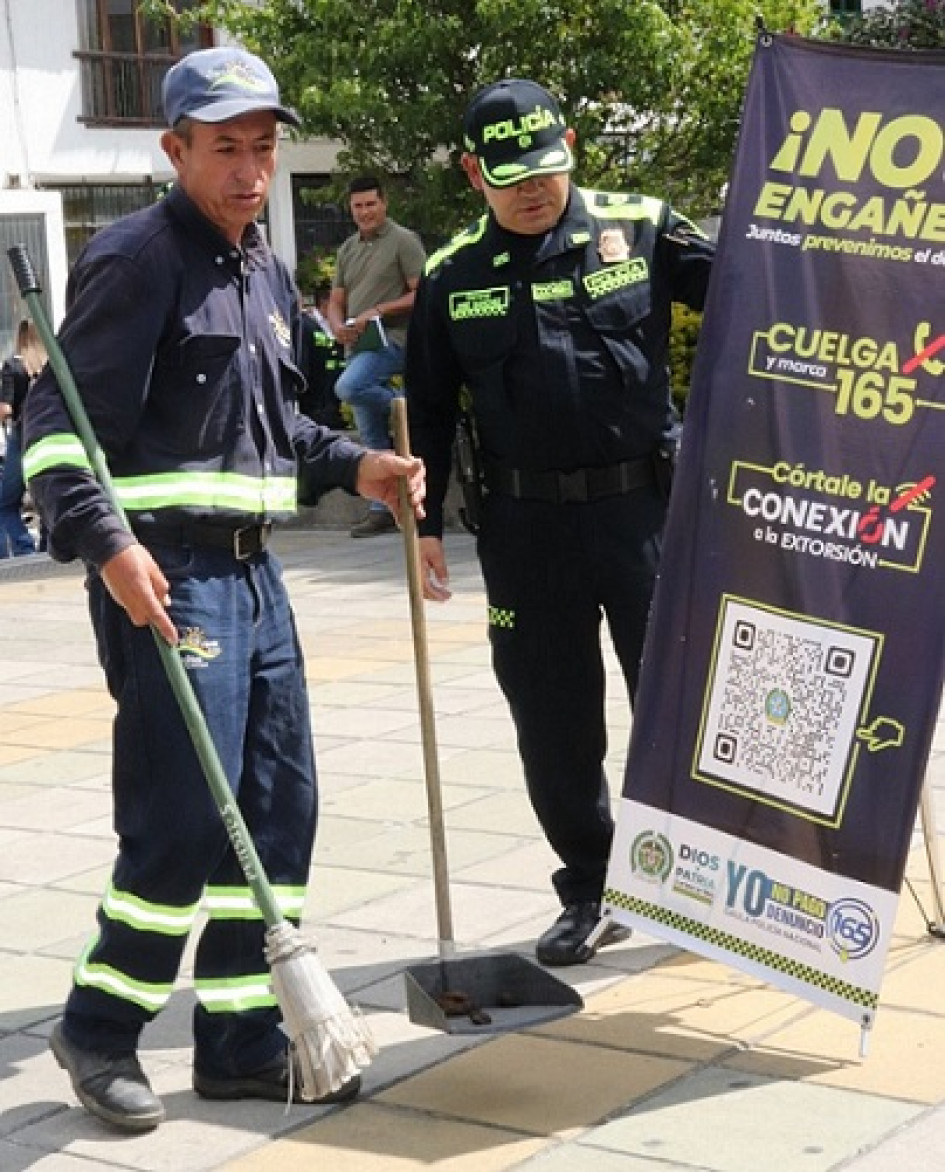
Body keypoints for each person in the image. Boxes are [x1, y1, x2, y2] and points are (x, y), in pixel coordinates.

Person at [23, 46, 425, 1134]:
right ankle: (101, 1029)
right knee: (183, 819)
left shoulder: (263, 269)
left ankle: (243, 1038)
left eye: (262, 148)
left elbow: (281, 428)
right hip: (168, 579)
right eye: (225, 149)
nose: (249, 171)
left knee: (279, 809)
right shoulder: (135, 259)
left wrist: (358, 465)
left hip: (255, 576)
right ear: (176, 149)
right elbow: (52, 428)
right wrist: (107, 545)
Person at [405, 79, 715, 967]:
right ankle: (590, 886)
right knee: (552, 720)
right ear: (473, 174)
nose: (534, 190)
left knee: (678, 705)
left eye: (547, 169)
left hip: (645, 516)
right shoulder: (452, 274)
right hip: (525, 532)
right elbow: (426, 406)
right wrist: (424, 526)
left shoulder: (643, 226)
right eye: (510, 179)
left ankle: (704, 882)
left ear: (570, 144)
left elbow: (754, 294)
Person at [327, 176, 426, 537]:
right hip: (359, 344)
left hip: (395, 341)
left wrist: (379, 310)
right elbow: (336, 300)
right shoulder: (348, 248)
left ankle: (405, 407)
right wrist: (337, 326)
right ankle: (381, 509)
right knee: (370, 432)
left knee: (349, 388)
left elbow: (422, 294)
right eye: (358, 206)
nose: (365, 212)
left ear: (384, 204)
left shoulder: (403, 240)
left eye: (371, 204)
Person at [0, 319, 46, 557]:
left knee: (6, 503)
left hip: (22, 435)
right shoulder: (52, 364)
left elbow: (6, 409)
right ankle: (50, 551)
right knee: (48, 499)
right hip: (50, 435)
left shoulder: (13, 366)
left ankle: (24, 550)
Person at [296, 282, 347, 429]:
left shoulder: (339, 325)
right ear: (326, 302)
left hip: (332, 396)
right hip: (315, 398)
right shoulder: (306, 324)